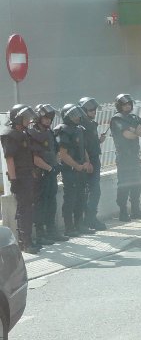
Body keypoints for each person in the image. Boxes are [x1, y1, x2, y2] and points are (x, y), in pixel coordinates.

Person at [2, 105, 46, 253]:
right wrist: (13, 180)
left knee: (27, 209)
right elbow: (10, 159)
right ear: (17, 118)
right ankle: (25, 243)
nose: (28, 120)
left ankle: (28, 241)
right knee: (24, 210)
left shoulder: (24, 133)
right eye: (25, 117)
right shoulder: (10, 135)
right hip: (20, 178)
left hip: (28, 176)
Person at [109, 93, 141, 221]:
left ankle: (136, 210)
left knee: (136, 184)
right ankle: (123, 212)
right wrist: (134, 130)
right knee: (124, 185)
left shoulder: (133, 117)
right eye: (125, 104)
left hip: (134, 157)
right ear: (119, 106)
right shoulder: (117, 119)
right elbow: (127, 135)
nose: (127, 106)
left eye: (129, 104)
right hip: (124, 158)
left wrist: (134, 130)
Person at [29, 104, 65, 244]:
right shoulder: (33, 134)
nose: (48, 120)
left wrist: (56, 165)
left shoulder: (49, 132)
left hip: (51, 173)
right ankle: (40, 234)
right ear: (38, 118)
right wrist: (50, 168)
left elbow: (55, 151)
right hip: (40, 175)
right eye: (45, 118)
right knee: (40, 204)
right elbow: (35, 158)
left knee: (51, 202)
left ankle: (51, 231)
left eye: (50, 118)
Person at [57, 104, 92, 236]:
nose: (77, 117)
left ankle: (79, 224)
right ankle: (69, 228)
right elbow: (63, 154)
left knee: (81, 197)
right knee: (70, 199)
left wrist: (87, 162)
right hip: (70, 171)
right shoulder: (63, 130)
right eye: (73, 115)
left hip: (81, 169)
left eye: (78, 114)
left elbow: (83, 148)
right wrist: (77, 166)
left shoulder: (79, 129)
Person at [78, 97, 107, 230]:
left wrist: (100, 140)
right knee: (93, 191)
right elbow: (83, 146)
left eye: (94, 109)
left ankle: (90, 219)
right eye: (90, 110)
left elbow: (91, 143)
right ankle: (89, 220)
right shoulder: (82, 126)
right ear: (83, 110)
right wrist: (87, 161)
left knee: (94, 191)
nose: (94, 112)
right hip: (89, 162)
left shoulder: (91, 124)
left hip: (95, 159)